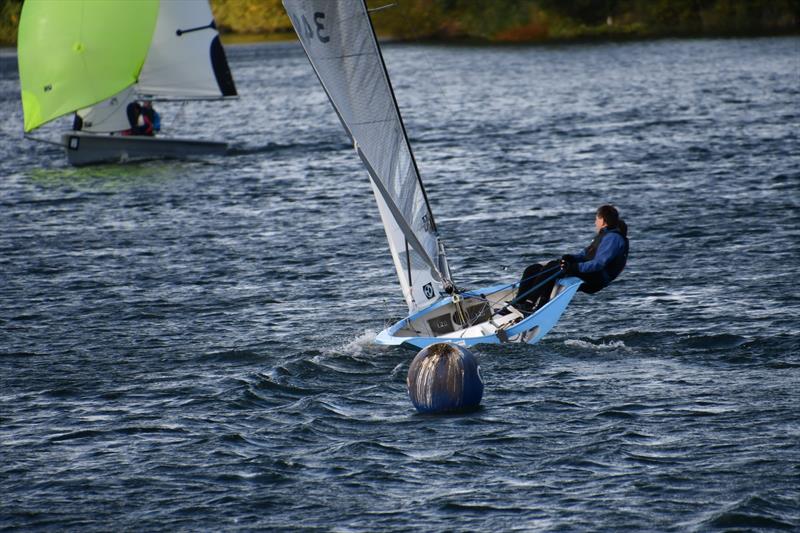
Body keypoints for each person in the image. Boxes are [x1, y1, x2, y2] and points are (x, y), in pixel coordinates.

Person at [514, 205, 629, 313]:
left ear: (603, 221)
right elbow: (584, 255)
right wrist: (571, 258)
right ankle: (519, 302)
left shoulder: (613, 238)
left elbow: (599, 264)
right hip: (588, 271)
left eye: (597, 219)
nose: (595, 222)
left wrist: (574, 267)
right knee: (533, 269)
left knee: (553, 267)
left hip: (597, 277)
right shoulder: (604, 236)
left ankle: (531, 304)